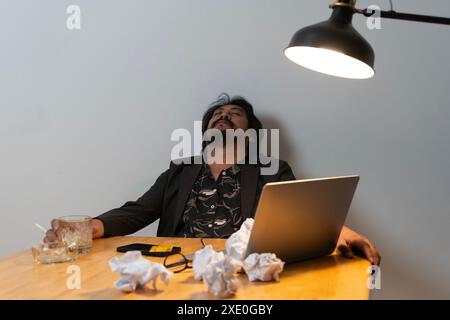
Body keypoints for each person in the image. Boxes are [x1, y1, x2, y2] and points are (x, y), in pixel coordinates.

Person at [44, 93, 381, 265]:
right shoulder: (181, 170)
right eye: (217, 116)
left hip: (243, 270)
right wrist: (89, 226)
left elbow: (300, 214)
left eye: (235, 115)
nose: (224, 118)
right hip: (177, 266)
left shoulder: (271, 168)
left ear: (250, 134)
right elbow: (138, 210)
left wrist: (340, 231)